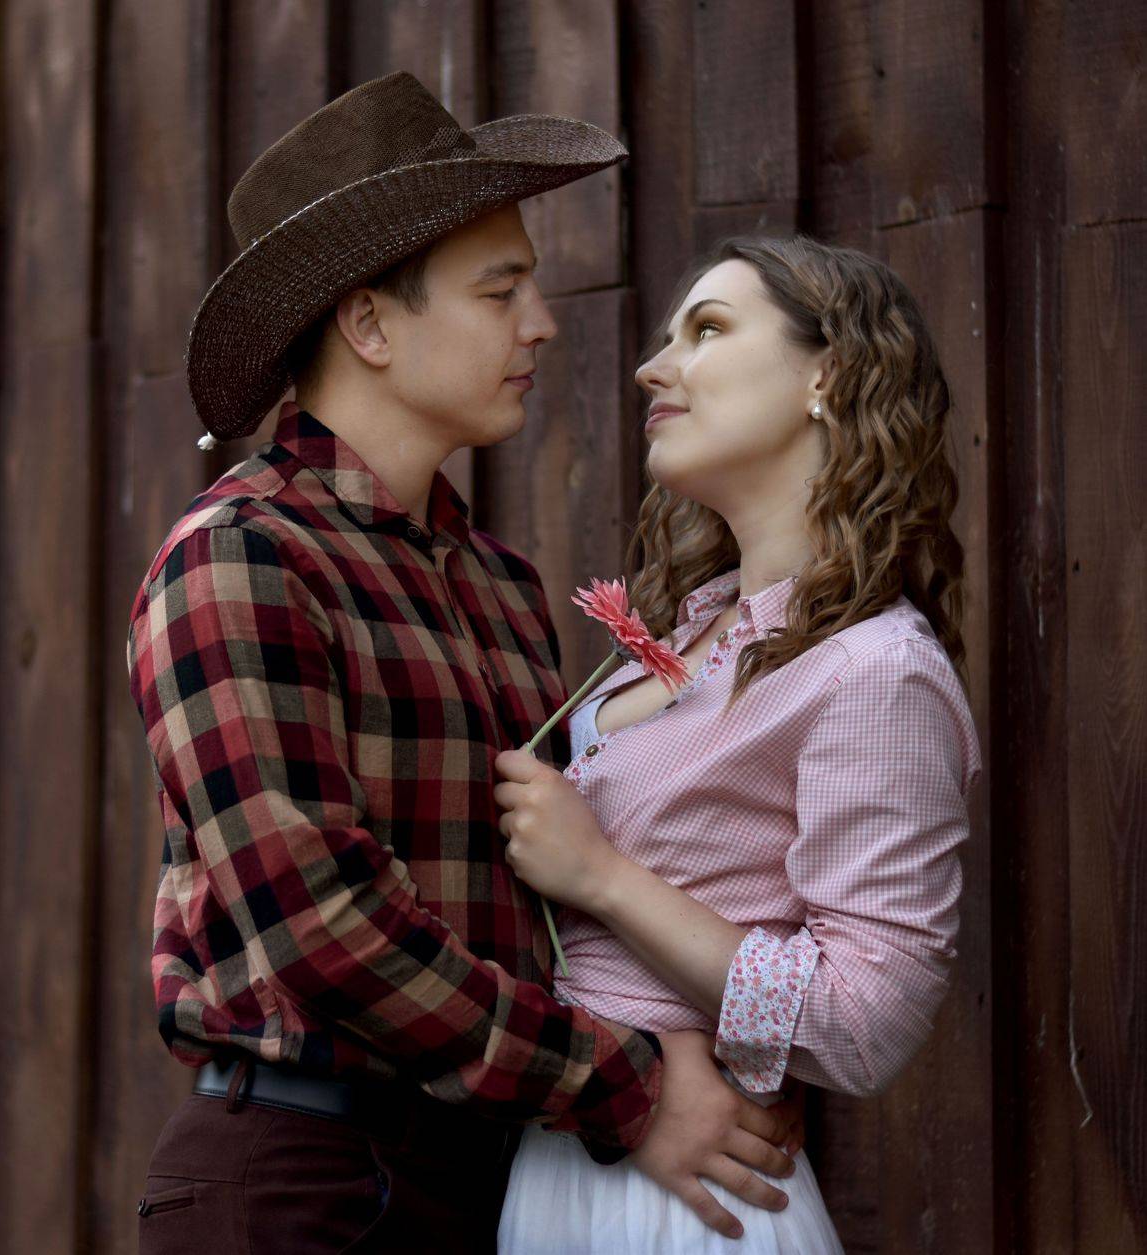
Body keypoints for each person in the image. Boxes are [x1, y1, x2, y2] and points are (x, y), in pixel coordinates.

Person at [128, 74, 799, 1253]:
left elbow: (549, 899)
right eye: (500, 290)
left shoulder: (497, 585)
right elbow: (321, 929)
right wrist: (629, 1085)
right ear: (370, 325)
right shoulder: (240, 560)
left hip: (492, 1170)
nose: (541, 322)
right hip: (305, 1179)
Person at [493, 235, 983, 1252]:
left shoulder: (874, 668)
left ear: (827, 374)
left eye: (708, 330)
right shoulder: (684, 635)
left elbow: (866, 1020)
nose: (651, 367)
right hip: (569, 1160)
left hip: (688, 1207)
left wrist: (602, 876)